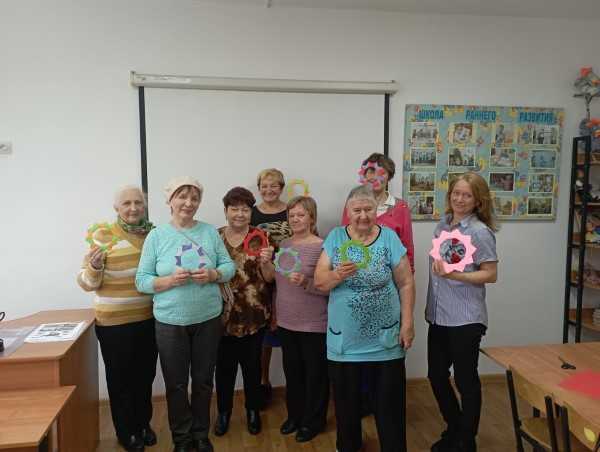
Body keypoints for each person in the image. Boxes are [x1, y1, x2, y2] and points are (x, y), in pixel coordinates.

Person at [135, 176, 235, 452]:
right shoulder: (156, 237)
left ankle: (201, 434)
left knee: (203, 381)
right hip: (170, 322)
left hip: (208, 318)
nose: (189, 203)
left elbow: (229, 267)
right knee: (176, 384)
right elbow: (142, 281)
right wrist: (168, 281)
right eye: (182, 196)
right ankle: (181, 437)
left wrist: (214, 274)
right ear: (170, 200)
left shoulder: (210, 233)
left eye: (194, 198)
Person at [315, 185, 416, 452]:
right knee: (346, 407)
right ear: (348, 212)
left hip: (386, 339)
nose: (363, 215)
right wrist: (337, 274)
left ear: (376, 211)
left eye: (368, 209)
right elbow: (320, 282)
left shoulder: (389, 237)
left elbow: (406, 283)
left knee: (390, 407)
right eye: (357, 210)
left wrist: (407, 323)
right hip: (345, 341)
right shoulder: (336, 238)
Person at [77, 185, 158, 452]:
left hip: (149, 318)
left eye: (138, 202)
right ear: (116, 208)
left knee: (145, 376)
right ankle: (127, 432)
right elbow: (86, 283)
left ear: (144, 206)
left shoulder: (154, 235)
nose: (133, 208)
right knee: (120, 380)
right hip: (114, 324)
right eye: (126, 203)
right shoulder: (103, 235)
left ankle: (143, 424)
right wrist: (94, 266)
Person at [426, 172, 498, 452]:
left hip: (466, 318)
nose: (460, 199)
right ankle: (455, 428)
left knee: (466, 380)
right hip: (439, 314)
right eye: (456, 193)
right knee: (436, 375)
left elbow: (490, 274)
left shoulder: (479, 231)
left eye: (467, 195)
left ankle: (466, 441)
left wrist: (456, 276)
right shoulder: (443, 225)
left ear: (478, 200)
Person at [214, 187, 275, 437]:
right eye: (234, 209)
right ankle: (223, 413)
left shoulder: (262, 237)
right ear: (226, 211)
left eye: (245, 209)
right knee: (224, 370)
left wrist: (267, 262)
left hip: (254, 315)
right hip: (221, 317)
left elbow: (270, 278)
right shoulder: (214, 237)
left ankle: (252, 411)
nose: (240, 214)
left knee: (252, 369)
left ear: (251, 212)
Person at [275, 196, 329, 443]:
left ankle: (313, 421)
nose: (295, 219)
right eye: (292, 215)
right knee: (293, 373)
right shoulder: (284, 244)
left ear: (312, 218)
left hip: (313, 323)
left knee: (315, 376)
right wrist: (266, 263)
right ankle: (294, 417)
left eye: (301, 214)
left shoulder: (322, 246)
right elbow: (275, 281)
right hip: (286, 321)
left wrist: (307, 282)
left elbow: (329, 286)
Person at [250, 168, 292, 405]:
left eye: (274, 185)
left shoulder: (291, 210)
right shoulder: (252, 213)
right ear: (259, 188)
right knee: (263, 336)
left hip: (289, 278)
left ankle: (292, 384)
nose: (269, 190)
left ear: (282, 188)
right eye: (264, 186)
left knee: (288, 333)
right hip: (260, 280)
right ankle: (263, 382)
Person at [343, 153, 414, 272]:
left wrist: (409, 275)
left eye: (382, 172)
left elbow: (407, 247)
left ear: (389, 177)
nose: (375, 177)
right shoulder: (353, 204)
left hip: (391, 274)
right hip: (356, 272)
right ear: (364, 176)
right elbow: (344, 238)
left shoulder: (401, 207)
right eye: (371, 172)